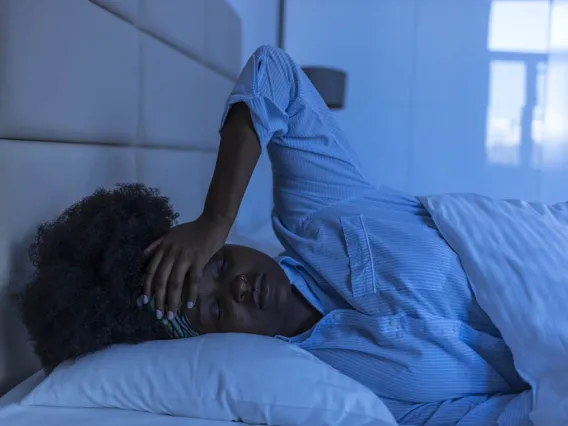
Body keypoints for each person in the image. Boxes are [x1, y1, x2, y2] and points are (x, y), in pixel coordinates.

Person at [20, 46, 531, 425]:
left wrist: (213, 219)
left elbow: (274, 74)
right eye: (217, 309)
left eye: (216, 264)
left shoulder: (318, 213)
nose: (238, 286)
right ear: (206, 344)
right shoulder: (328, 389)